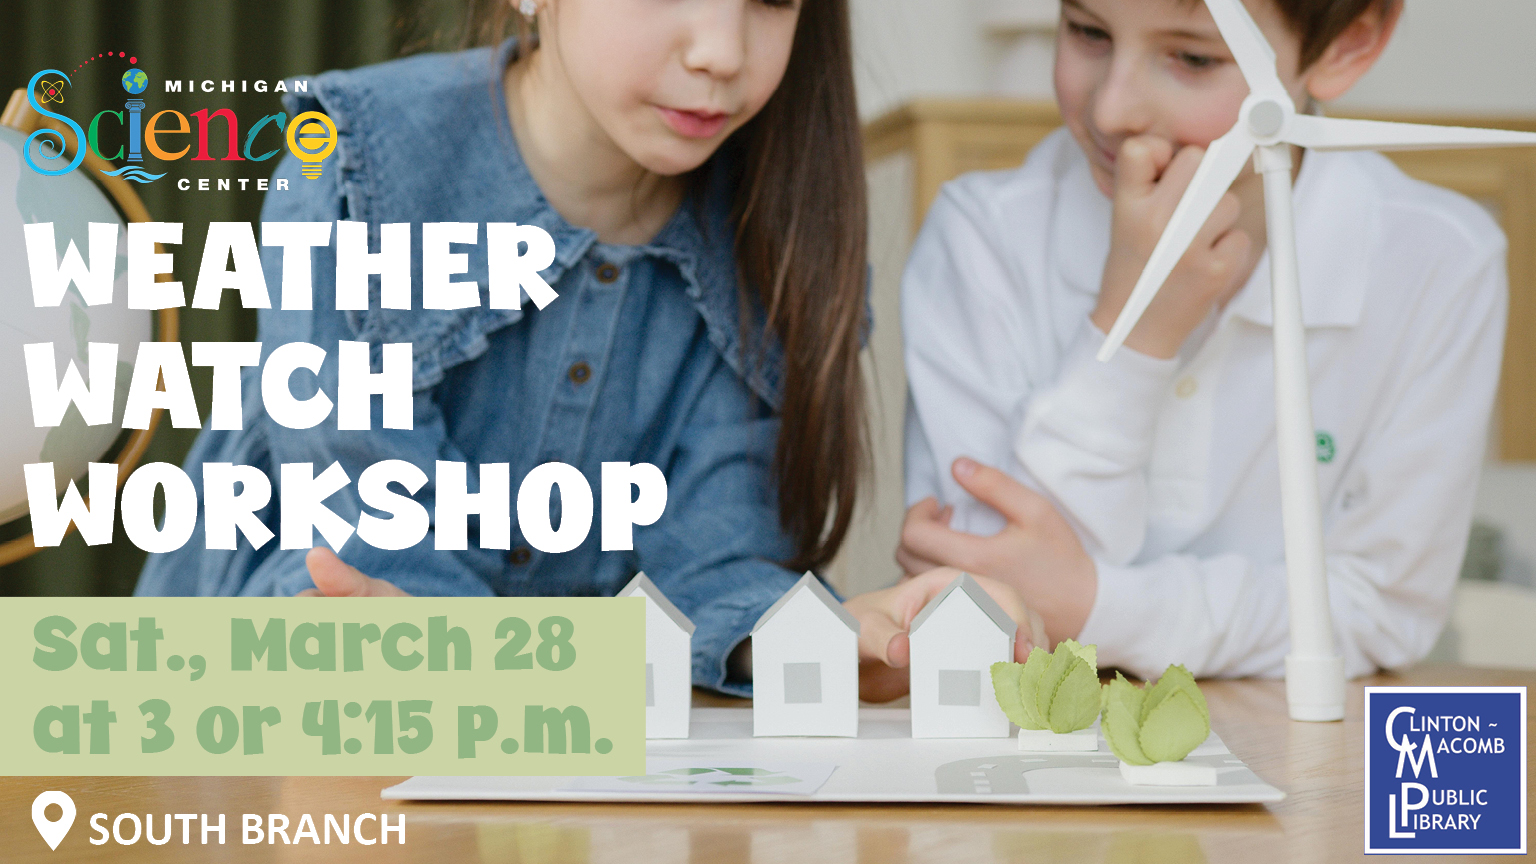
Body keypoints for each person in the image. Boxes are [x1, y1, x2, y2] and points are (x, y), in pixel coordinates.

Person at [136, 0, 1037, 699]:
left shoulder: (777, 229)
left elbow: (716, 569)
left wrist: (830, 639)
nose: (722, 50)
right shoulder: (355, 157)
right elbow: (368, 539)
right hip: (288, 705)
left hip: (570, 750)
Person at [898, 0, 1506, 681]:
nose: (1112, 110)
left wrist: (1100, 604)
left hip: (1299, 746)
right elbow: (982, 601)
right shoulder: (981, 234)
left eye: (1192, 57)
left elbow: (1382, 613)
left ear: (1348, 44)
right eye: (1088, 32)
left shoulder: (1442, 261)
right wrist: (1135, 326)